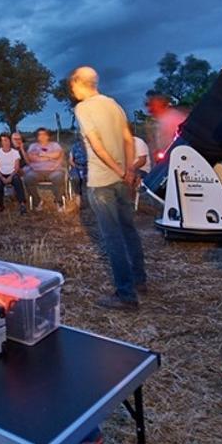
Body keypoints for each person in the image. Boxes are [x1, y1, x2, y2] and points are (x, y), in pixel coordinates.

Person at [72, 67, 147, 310]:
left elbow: (96, 145)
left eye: (72, 85)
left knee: (112, 237)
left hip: (102, 182)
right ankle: (139, 279)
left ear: (79, 83)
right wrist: (128, 171)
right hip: (121, 180)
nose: (72, 90)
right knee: (129, 230)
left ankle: (126, 294)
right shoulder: (113, 104)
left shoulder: (83, 108)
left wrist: (118, 170)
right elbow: (127, 139)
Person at [23, 128, 66, 210]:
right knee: (28, 178)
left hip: (54, 170)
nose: (42, 136)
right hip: (36, 171)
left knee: (59, 177)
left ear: (48, 136)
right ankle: (38, 202)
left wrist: (41, 154)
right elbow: (31, 158)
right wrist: (49, 157)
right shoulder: (33, 146)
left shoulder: (54, 145)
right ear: (37, 136)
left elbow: (57, 154)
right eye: (40, 134)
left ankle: (59, 202)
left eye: (44, 134)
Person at [0, 133, 26, 212]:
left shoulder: (15, 152)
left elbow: (17, 167)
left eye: (6, 140)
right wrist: (2, 178)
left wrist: (10, 177)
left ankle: (22, 204)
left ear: (10, 141)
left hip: (12, 173)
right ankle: (0, 205)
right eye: (2, 141)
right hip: (0, 174)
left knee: (17, 180)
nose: (4, 142)